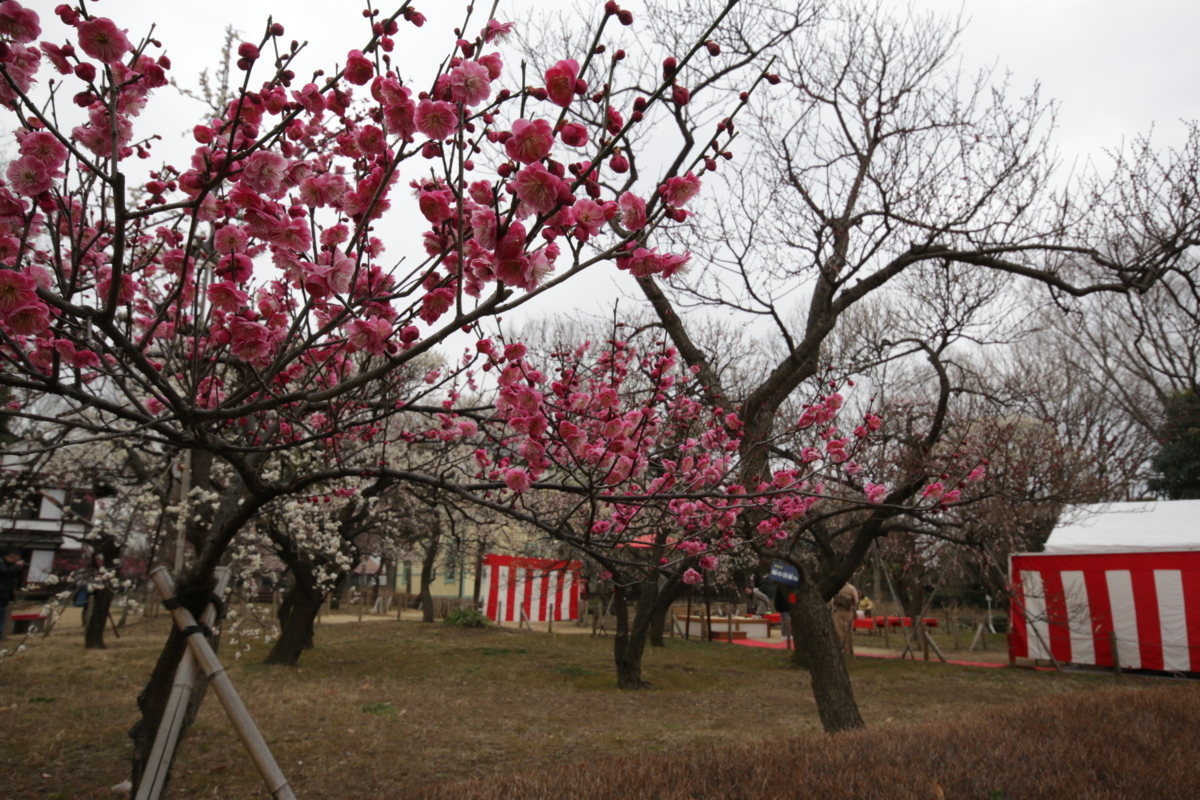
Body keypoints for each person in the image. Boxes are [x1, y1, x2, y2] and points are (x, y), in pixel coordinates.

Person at [0, 550, 26, 639]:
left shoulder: (9, 566)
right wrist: (16, 566)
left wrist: (18, 568)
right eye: (16, 559)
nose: (17, 561)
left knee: (2, 615)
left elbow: (12, 575)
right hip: (1, 594)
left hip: (4, 595)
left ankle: (1, 634)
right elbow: (4, 572)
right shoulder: (1, 563)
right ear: (11, 557)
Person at [831, 582, 859, 655]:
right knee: (848, 630)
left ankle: (840, 648)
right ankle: (847, 649)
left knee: (839, 629)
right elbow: (856, 601)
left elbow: (832, 601)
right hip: (848, 611)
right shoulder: (851, 588)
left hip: (838, 611)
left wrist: (834, 608)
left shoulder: (836, 587)